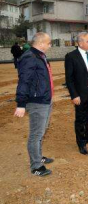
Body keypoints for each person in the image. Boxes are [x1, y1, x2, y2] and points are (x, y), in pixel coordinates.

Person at [14, 32, 54, 177]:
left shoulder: (39, 55)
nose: (50, 45)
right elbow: (24, 81)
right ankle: (36, 166)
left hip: (45, 99)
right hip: (37, 102)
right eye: (49, 43)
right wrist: (21, 104)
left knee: (41, 131)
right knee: (36, 134)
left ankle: (39, 156)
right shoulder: (30, 57)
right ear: (41, 43)